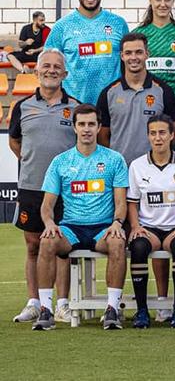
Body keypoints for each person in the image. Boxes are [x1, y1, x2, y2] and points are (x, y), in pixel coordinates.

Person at [32, 104, 129, 331]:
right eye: (82, 124)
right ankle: (46, 310)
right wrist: (49, 224)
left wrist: (117, 223)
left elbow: (121, 202)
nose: (86, 129)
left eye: (91, 124)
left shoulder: (114, 160)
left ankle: (112, 309)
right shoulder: (60, 162)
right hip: (71, 228)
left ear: (99, 127)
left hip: (103, 227)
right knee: (46, 241)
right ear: (74, 128)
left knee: (117, 241)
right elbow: (47, 205)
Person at [9, 49, 78, 325]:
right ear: (36, 72)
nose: (51, 71)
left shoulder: (75, 107)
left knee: (61, 246)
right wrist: (31, 161)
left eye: (56, 67)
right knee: (33, 245)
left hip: (66, 191)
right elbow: (15, 142)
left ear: (65, 74)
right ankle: (34, 302)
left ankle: (62, 304)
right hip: (31, 186)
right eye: (45, 66)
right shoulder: (23, 107)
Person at [127, 114, 175, 328]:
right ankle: (142, 311)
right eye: (153, 133)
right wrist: (136, 227)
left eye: (162, 133)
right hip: (149, 228)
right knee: (138, 248)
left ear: (172, 135)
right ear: (148, 136)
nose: (158, 138)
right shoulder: (137, 166)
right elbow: (132, 203)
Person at [44, 0, 128, 114]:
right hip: (73, 110)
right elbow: (48, 67)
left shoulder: (118, 24)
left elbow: (127, 65)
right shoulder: (61, 27)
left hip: (112, 109)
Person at [96, 33, 175, 166]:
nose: (133, 58)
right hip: (120, 170)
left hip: (153, 169)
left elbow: (173, 133)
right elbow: (102, 136)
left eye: (139, 52)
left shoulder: (164, 91)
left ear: (147, 54)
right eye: (128, 53)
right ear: (122, 56)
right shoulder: (108, 93)